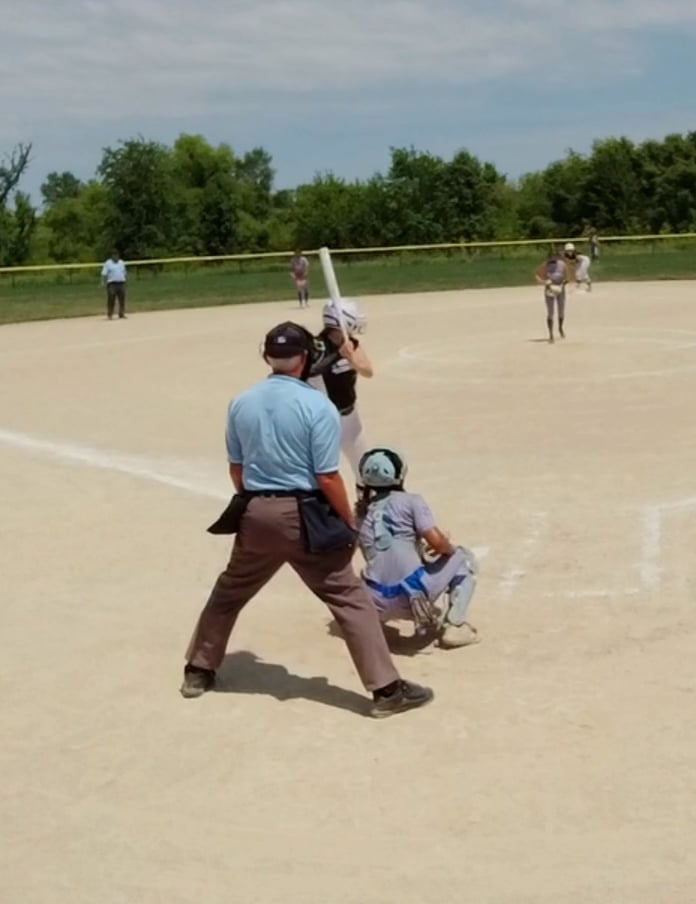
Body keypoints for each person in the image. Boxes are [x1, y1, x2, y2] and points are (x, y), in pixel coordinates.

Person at [180, 321, 433, 717]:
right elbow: (327, 477)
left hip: (255, 513)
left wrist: (256, 503)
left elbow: (236, 469)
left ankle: (198, 671)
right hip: (305, 516)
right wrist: (348, 521)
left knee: (229, 591)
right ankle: (387, 690)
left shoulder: (241, 402)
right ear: (306, 357)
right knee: (349, 598)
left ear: (267, 356)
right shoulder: (318, 406)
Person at [355, 447, 480, 649]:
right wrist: (446, 549)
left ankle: (373, 629)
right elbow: (437, 542)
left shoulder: (360, 513)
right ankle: (454, 626)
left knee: (377, 573)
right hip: (411, 597)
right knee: (462, 557)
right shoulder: (411, 501)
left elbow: (376, 555)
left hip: (374, 601)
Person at [305, 298, 373, 472]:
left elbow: (368, 371)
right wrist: (336, 356)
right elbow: (309, 371)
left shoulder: (351, 344)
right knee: (322, 471)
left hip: (349, 418)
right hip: (323, 421)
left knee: (364, 468)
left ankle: (364, 490)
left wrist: (351, 358)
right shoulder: (316, 347)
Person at [535, 245, 573, 343]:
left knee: (561, 311)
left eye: (554, 257)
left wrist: (563, 284)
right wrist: (544, 282)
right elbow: (537, 274)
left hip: (560, 289)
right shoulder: (545, 265)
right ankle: (551, 334)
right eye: (550, 257)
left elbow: (568, 277)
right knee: (550, 312)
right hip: (549, 290)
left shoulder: (562, 264)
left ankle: (560, 327)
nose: (552, 259)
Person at [101, 252, 127, 319]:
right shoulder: (108, 263)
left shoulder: (121, 262)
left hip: (121, 283)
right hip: (112, 284)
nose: (116, 257)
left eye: (117, 255)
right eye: (115, 255)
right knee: (111, 298)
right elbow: (104, 274)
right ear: (112, 256)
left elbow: (124, 272)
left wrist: (125, 281)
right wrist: (103, 282)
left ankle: (121, 313)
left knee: (122, 299)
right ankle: (110, 314)